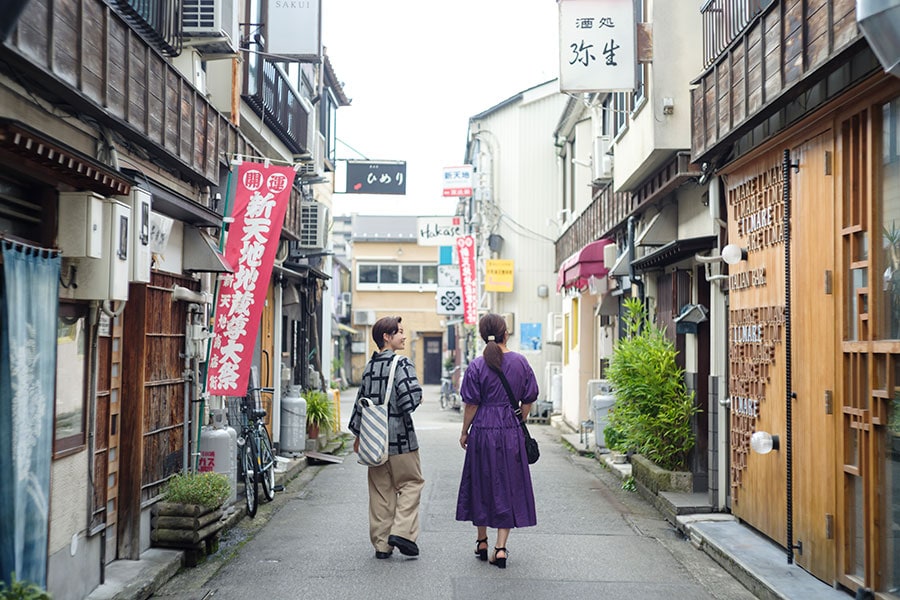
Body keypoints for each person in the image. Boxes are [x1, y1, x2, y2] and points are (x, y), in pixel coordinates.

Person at [456, 313, 538, 568]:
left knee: (481, 482)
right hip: (510, 431)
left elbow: (471, 403)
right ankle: (500, 548)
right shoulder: (521, 362)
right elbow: (529, 398)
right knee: (508, 485)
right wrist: (519, 421)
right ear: (506, 333)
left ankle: (481, 540)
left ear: (482, 336)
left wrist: (464, 431)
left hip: (482, 430)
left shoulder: (477, 365)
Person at [348, 316, 424, 560]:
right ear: (386, 337)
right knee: (411, 483)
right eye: (399, 332)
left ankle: (382, 545)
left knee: (381, 492)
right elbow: (410, 400)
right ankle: (402, 532)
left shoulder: (369, 367)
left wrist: (358, 435)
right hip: (401, 439)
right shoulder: (401, 364)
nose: (404, 336)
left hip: (373, 439)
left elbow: (360, 402)